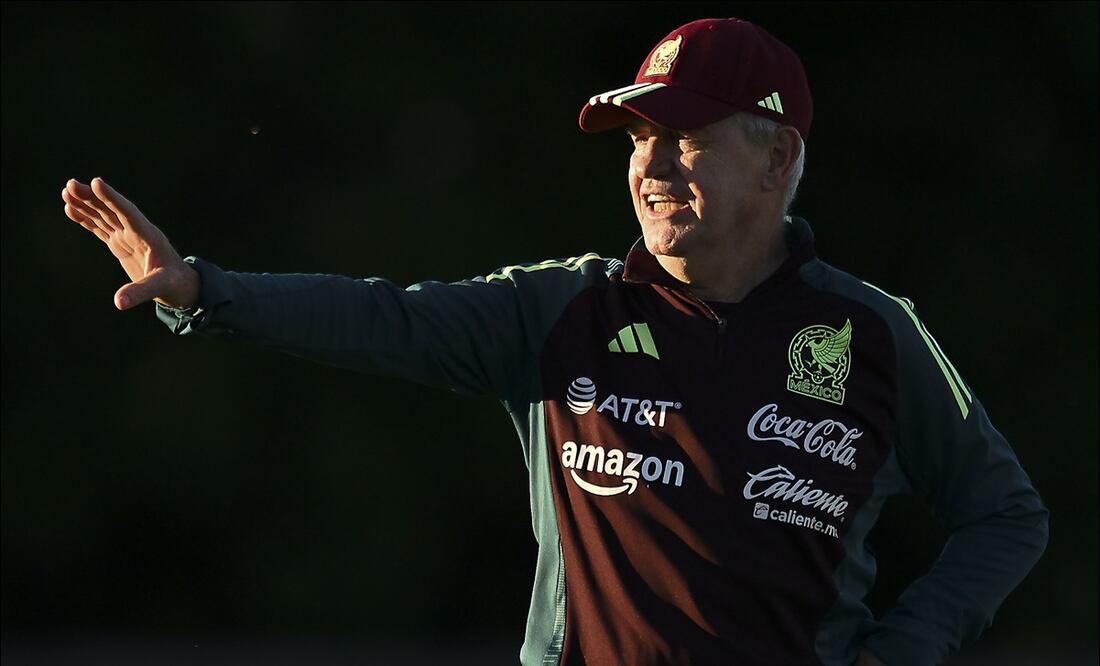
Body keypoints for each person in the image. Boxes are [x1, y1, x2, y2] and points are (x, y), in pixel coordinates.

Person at [62, 17, 1047, 666]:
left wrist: (897, 651)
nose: (651, 165)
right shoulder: (561, 312)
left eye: (686, 136)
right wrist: (202, 289)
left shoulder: (873, 332)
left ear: (776, 158)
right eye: (636, 141)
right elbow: (382, 315)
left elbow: (1003, 516)